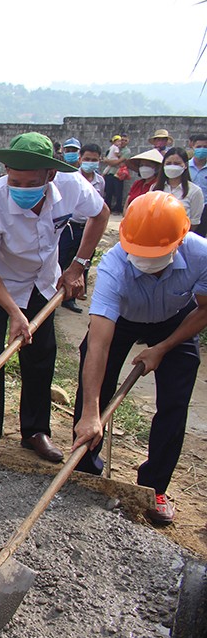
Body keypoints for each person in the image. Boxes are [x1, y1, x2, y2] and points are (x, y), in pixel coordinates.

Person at [0, 132, 109, 462]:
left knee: (41, 354)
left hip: (42, 282)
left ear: (51, 175)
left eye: (30, 182)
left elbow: (101, 214)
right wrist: (14, 313)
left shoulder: (73, 186)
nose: (20, 188)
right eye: (13, 179)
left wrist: (78, 265)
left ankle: (35, 431)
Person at [71, 191, 207, 526]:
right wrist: (92, 412)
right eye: (139, 253)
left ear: (179, 242)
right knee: (93, 388)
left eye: (156, 253)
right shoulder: (114, 268)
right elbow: (100, 343)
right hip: (125, 320)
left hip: (177, 320)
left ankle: (154, 486)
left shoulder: (201, 254)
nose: (146, 260)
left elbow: (205, 308)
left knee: (175, 402)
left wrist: (162, 348)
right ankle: (86, 472)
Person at [57, 141, 106, 313]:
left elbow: (101, 211)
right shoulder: (69, 177)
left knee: (82, 262)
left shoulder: (100, 181)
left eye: (94, 159)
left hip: (87, 227)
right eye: (87, 159)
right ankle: (54, 294)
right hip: (69, 226)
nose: (90, 162)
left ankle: (73, 296)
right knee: (61, 259)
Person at [153, 147, 204, 225]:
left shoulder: (195, 191)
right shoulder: (154, 188)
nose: (172, 166)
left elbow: (194, 222)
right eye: (168, 163)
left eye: (177, 163)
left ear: (185, 165)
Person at [102, 134, 131, 214]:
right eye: (122, 140)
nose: (123, 142)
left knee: (118, 192)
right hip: (110, 172)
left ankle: (118, 208)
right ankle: (107, 208)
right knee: (108, 191)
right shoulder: (114, 148)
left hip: (118, 174)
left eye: (125, 140)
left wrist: (108, 161)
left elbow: (117, 162)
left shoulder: (126, 151)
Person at [188, 133, 207, 233]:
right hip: (189, 208)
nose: (202, 149)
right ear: (193, 147)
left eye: (205, 147)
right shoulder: (186, 167)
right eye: (199, 147)